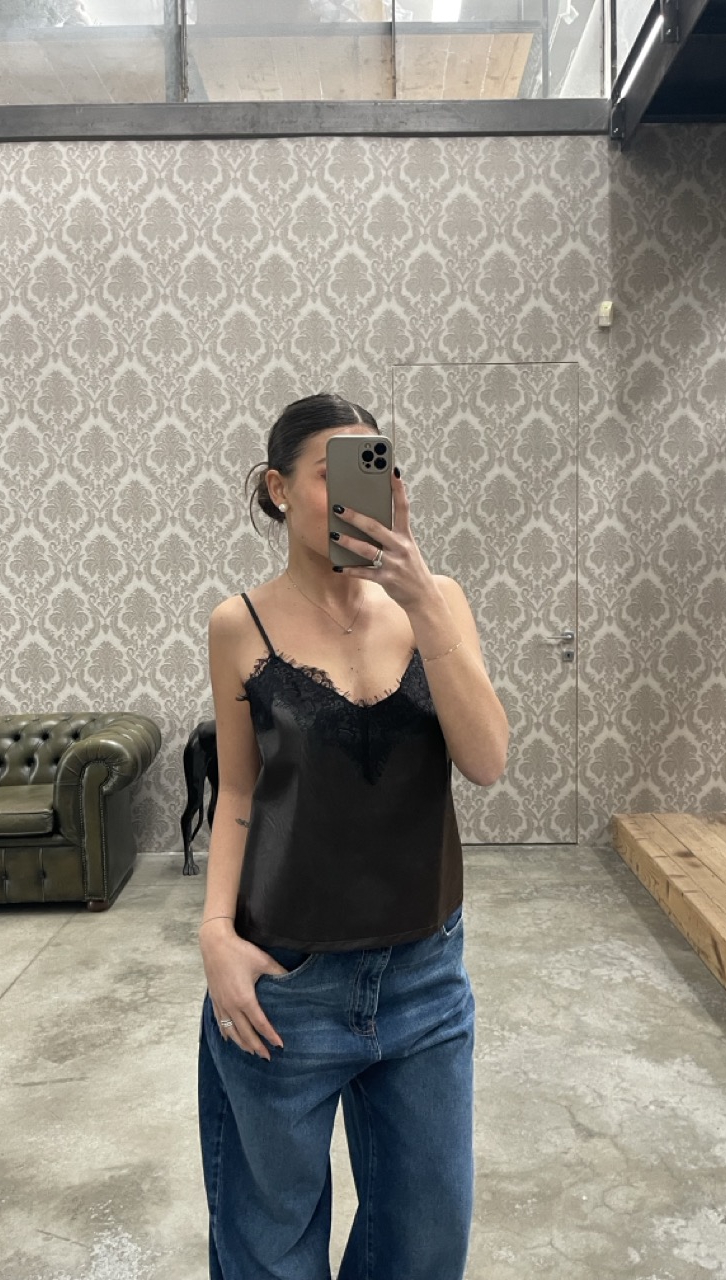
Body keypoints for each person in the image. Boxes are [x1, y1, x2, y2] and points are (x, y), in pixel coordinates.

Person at [197, 392, 509, 1280]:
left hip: (425, 980)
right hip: (283, 986)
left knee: (426, 1244)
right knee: (269, 1250)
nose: (356, 493)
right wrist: (215, 932)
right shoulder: (239, 624)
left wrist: (422, 600)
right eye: (332, 473)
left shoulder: (437, 603)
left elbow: (486, 760)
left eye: (375, 469)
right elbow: (239, 793)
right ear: (277, 489)